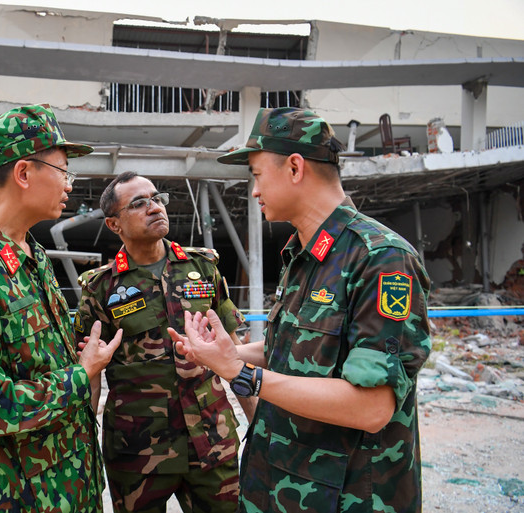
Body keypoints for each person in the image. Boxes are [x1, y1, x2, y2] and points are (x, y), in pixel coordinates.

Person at [169, 107, 432, 513]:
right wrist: (225, 354)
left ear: (294, 168)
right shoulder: (303, 254)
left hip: (344, 497)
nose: (254, 191)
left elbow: (372, 407)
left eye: (257, 175)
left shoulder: (380, 259)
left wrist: (243, 374)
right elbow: (293, 350)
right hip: (276, 484)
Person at [0, 104, 122, 513]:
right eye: (64, 171)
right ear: (24, 173)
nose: (69, 185)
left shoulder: (34, 255)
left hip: (70, 485)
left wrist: (78, 356)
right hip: (18, 496)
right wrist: (80, 375)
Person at [75, 171, 255, 513]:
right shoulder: (100, 289)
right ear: (114, 224)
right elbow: (91, 374)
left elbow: (235, 353)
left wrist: (256, 420)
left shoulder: (203, 268)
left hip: (212, 443)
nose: (155, 207)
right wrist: (83, 445)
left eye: (158, 199)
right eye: (139, 203)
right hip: (137, 452)